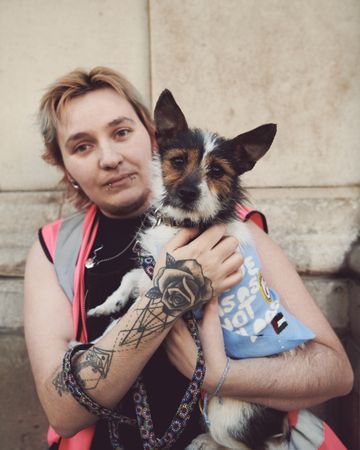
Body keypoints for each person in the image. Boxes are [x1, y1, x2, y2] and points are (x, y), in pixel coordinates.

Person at [24, 67, 353, 450]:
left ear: (152, 136)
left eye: (121, 132)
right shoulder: (56, 248)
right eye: (81, 146)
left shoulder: (236, 232)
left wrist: (219, 376)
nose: (109, 158)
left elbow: (336, 373)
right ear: (65, 167)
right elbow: (63, 414)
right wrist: (165, 299)